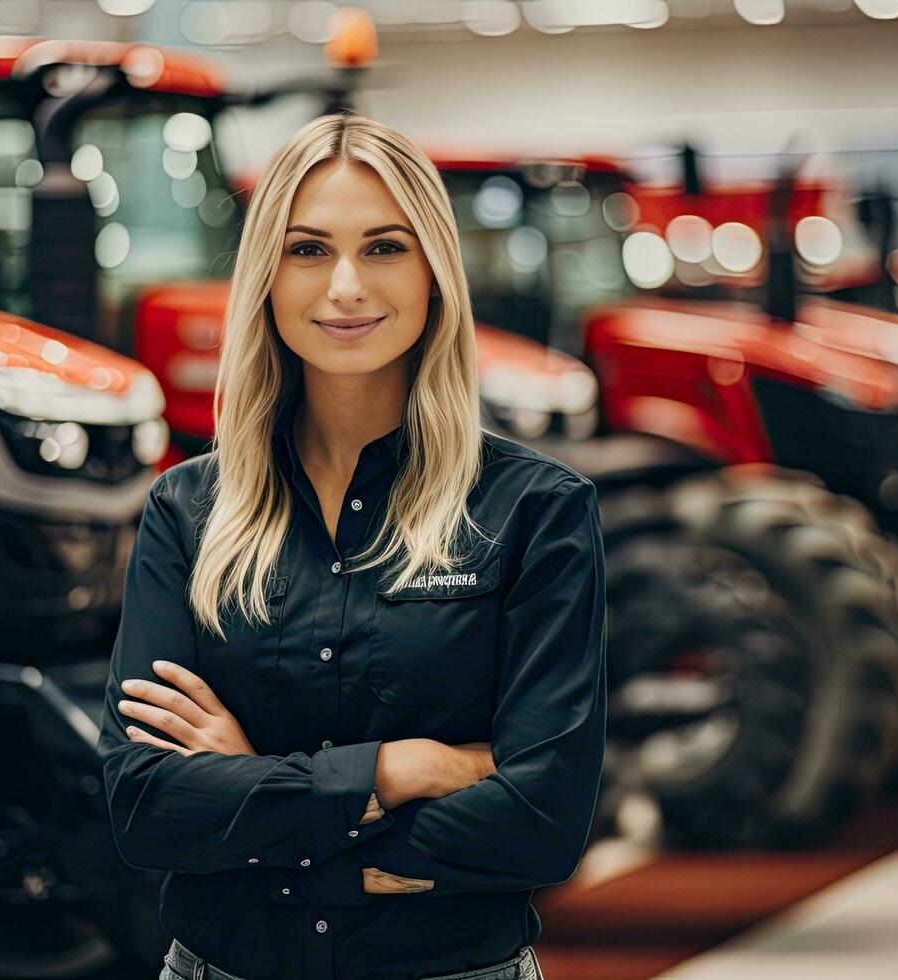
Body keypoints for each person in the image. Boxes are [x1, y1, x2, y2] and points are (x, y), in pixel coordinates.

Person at [97, 112, 606, 980]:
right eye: (306, 250)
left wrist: (257, 787)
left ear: (435, 272)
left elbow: (541, 821)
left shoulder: (536, 511)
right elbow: (146, 807)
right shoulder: (187, 511)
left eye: (382, 248)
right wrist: (399, 770)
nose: (344, 287)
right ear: (264, 274)